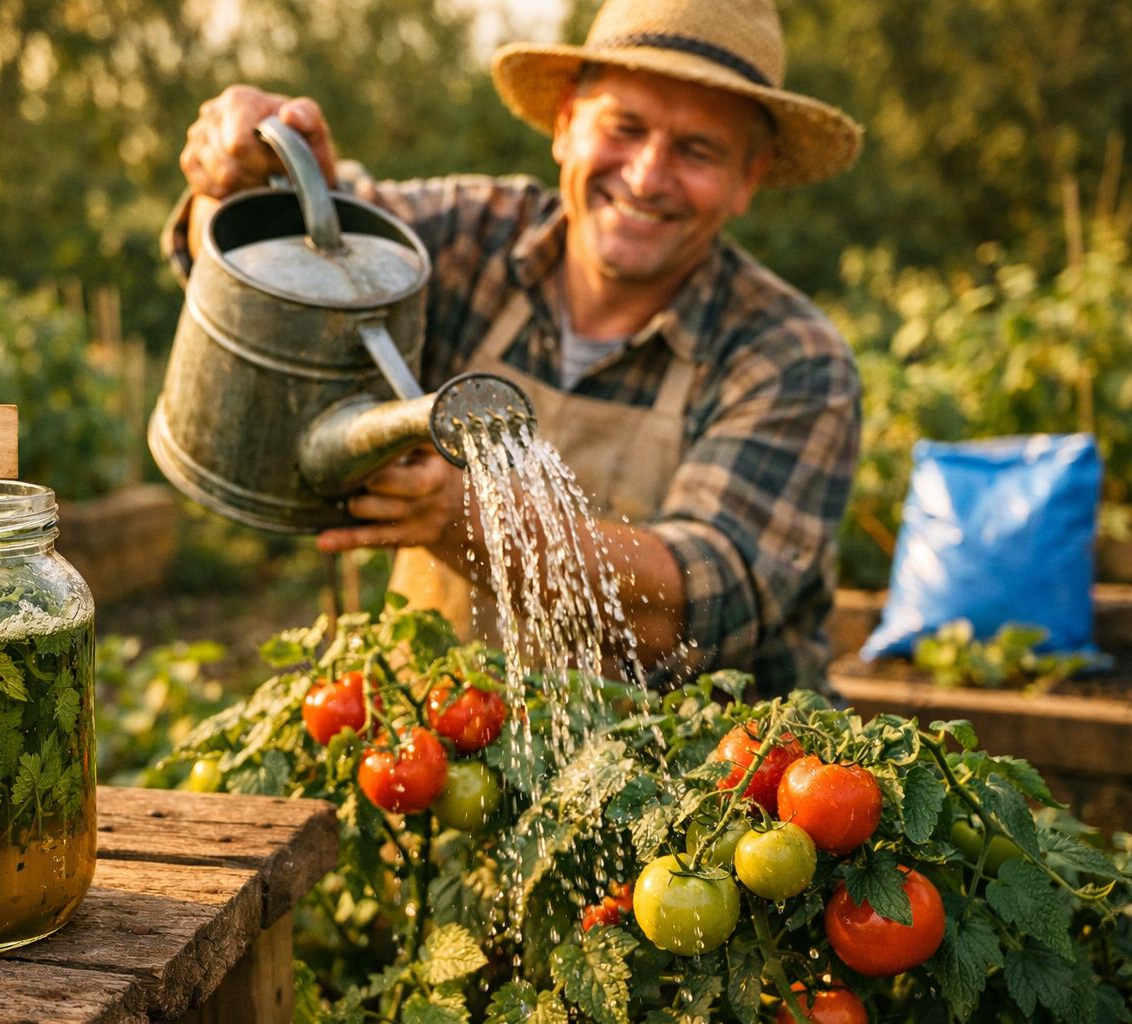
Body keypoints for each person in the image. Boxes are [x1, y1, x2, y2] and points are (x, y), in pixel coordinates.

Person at [166, 0, 863, 696]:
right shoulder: (473, 238)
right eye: (624, 128)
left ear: (748, 176)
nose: (648, 176)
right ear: (565, 124)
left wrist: (467, 516)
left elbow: (694, 609)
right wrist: (240, 176)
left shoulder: (788, 356)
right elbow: (268, 259)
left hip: (695, 782)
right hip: (435, 753)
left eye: (697, 150)